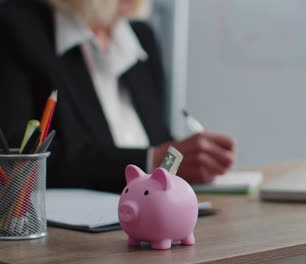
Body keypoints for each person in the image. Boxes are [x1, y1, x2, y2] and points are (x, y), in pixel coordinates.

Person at [0, 0, 236, 193]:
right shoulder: (15, 28)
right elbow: (21, 158)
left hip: (155, 215)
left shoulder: (141, 36)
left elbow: (156, 138)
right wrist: (153, 161)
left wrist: (194, 158)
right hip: (75, 232)